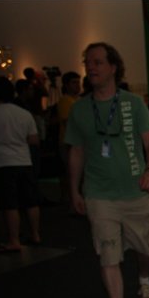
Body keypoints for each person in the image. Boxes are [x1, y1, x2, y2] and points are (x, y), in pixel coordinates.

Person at [65, 42, 149, 298]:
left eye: (97, 62)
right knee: (108, 253)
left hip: (134, 192)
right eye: (87, 62)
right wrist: (74, 190)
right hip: (98, 194)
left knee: (144, 248)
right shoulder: (80, 109)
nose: (90, 67)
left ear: (113, 67)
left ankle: (144, 279)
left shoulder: (133, 103)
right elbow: (76, 153)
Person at [0, 76, 41, 252]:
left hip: (3, 163)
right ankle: (35, 234)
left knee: (9, 203)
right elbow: (34, 139)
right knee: (31, 201)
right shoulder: (24, 114)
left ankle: (14, 240)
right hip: (24, 161)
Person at [56, 71, 81, 206]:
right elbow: (68, 122)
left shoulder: (78, 100)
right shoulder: (66, 101)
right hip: (68, 142)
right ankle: (72, 202)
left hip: (75, 142)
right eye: (74, 83)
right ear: (66, 85)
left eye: (78, 82)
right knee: (71, 172)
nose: (78, 85)